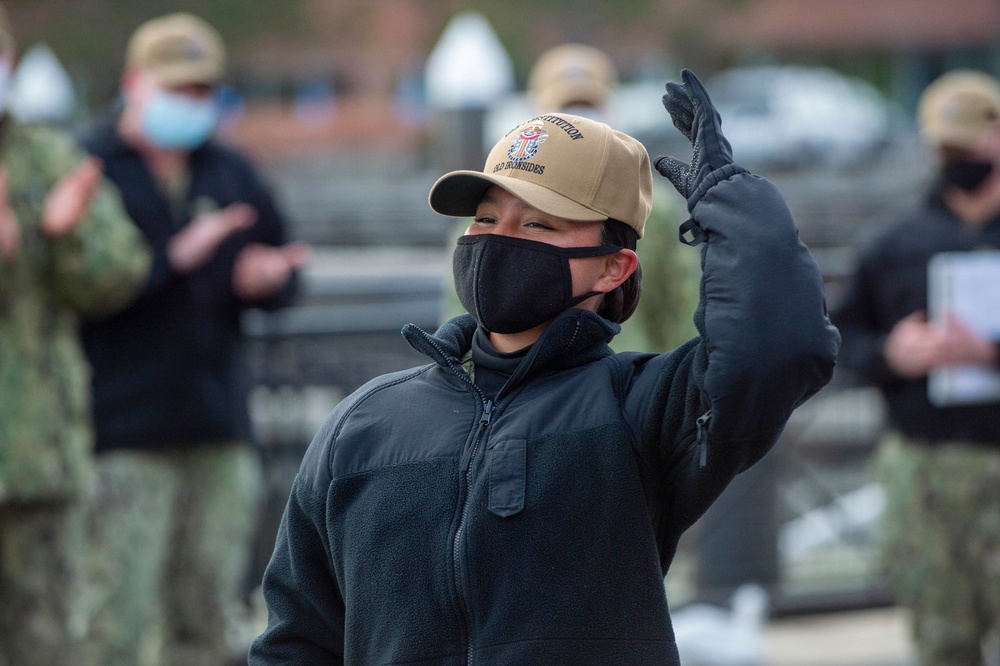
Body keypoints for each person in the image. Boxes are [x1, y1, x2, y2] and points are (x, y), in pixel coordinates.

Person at [250, 70, 838, 664]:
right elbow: (297, 639)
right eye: (484, 219)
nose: (497, 239)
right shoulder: (364, 423)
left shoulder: (639, 410)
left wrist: (733, 204)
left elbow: (779, 349)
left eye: (537, 223)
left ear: (613, 268)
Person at [77, 12, 306, 666]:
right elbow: (82, 286)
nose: (193, 104)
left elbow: (282, 263)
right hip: (120, 429)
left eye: (203, 91)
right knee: (113, 624)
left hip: (216, 422)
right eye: (178, 89)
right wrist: (170, 258)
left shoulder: (231, 170)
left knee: (208, 618)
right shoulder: (91, 167)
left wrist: (263, 281)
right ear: (134, 83)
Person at [0, 4, 152, 664]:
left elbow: (122, 273)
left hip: (37, 462)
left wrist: (56, 240)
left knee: (49, 643)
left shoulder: (50, 158)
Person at [832, 69, 1000, 666]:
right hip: (924, 470)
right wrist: (890, 354)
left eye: (968, 145)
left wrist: (989, 353)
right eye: (945, 148)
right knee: (942, 645)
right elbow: (840, 338)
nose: (955, 159)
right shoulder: (894, 243)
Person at [442, 43, 699, 354]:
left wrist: (667, 389)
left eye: (537, 223)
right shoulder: (485, 221)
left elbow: (679, 309)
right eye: (486, 218)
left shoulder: (653, 209)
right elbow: (463, 315)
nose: (500, 232)